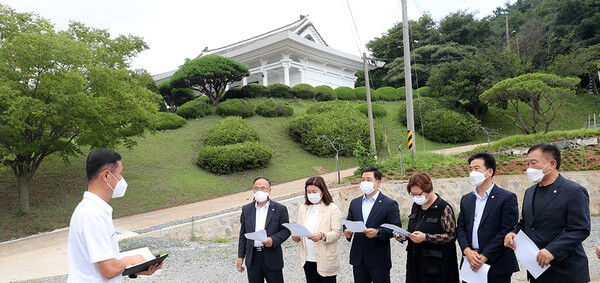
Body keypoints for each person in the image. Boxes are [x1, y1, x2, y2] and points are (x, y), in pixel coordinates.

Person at [68, 148, 162, 282]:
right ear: (106, 176)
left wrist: (136, 269)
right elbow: (109, 269)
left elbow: (101, 265)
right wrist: (129, 259)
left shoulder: (93, 209)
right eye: (120, 174)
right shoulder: (93, 214)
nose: (121, 180)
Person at [504, 143, 590, 283]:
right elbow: (526, 222)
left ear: (552, 164)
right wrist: (514, 233)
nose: (529, 168)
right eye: (527, 163)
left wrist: (553, 250)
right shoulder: (530, 191)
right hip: (537, 271)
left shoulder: (574, 191)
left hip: (566, 272)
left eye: (534, 163)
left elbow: (579, 229)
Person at [456, 153, 519, 283]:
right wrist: (467, 250)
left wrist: (485, 256)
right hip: (470, 262)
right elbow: (461, 227)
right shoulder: (466, 199)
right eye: (470, 169)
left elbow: (507, 229)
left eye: (477, 168)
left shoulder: (506, 197)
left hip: (496, 263)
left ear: (489, 171)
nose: (472, 172)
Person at [344, 167, 401, 283]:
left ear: (378, 182)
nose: (365, 182)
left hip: (378, 258)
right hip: (359, 258)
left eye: (368, 179)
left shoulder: (389, 204)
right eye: (362, 179)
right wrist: (347, 231)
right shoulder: (355, 203)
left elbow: (396, 228)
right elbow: (348, 221)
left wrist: (378, 232)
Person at [403, 172, 459, 283]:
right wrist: (404, 235)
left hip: (437, 266)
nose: (416, 197)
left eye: (418, 194)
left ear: (429, 189)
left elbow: (452, 235)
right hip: (416, 262)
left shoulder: (443, 208)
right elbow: (415, 227)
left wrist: (426, 237)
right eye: (413, 194)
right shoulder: (416, 206)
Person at [237, 177, 291, 283]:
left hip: (272, 256)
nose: (259, 191)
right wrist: (240, 256)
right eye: (256, 188)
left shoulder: (280, 209)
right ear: (253, 190)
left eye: (263, 188)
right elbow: (243, 233)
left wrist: (273, 240)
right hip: (253, 258)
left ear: (269, 190)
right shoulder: (246, 209)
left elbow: (286, 230)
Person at [291, 176, 343, 283]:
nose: (311, 194)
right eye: (308, 192)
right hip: (308, 259)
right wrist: (296, 237)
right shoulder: (303, 208)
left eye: (314, 191)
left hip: (326, 259)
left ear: (322, 191)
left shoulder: (332, 208)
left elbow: (337, 233)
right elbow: (300, 229)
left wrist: (322, 235)